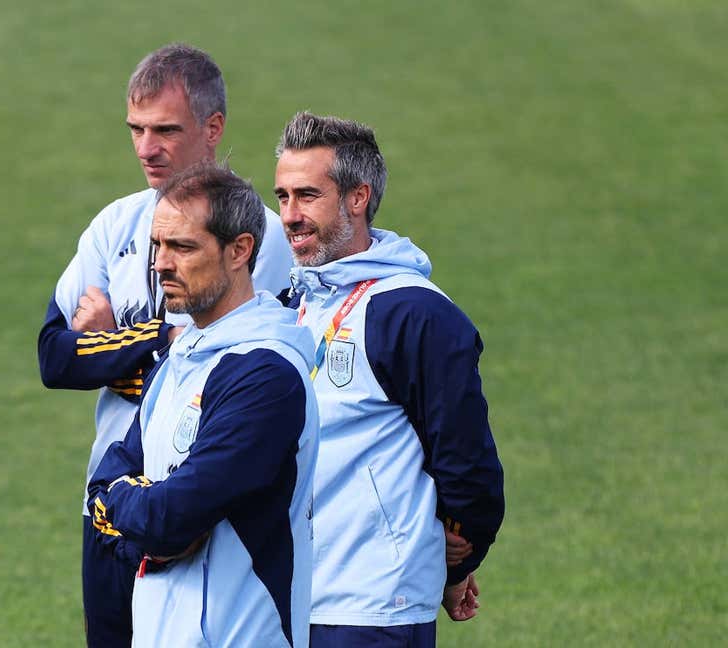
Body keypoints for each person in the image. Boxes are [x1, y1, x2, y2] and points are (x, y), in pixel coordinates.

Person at [36, 43, 293, 647]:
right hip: (111, 497)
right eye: (137, 129)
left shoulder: (259, 236)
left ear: (213, 128)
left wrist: (108, 345)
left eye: (165, 130)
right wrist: (160, 339)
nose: (146, 148)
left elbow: (236, 376)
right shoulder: (114, 225)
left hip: (212, 512)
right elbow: (53, 357)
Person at [272, 111, 505, 646]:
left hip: (373, 608)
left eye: (307, 195)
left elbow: (469, 470)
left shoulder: (416, 315)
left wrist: (452, 563)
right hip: (284, 598)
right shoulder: (293, 303)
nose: (289, 215)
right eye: (282, 196)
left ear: (358, 197)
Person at [87, 163, 318, 648]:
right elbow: (102, 487)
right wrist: (145, 523)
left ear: (240, 250)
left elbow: (172, 515)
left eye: (182, 247)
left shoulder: (265, 374)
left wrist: (145, 515)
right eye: (158, 245)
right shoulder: (176, 361)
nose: (160, 264)